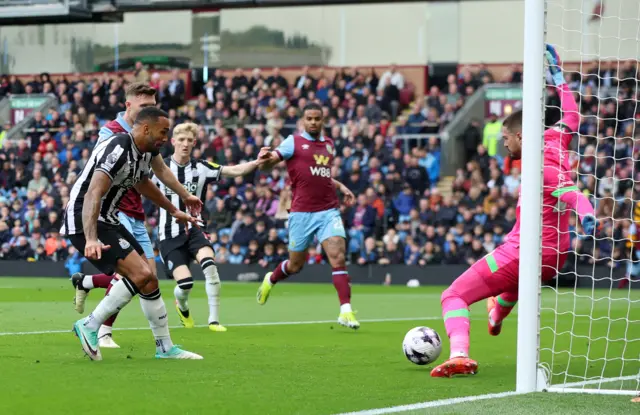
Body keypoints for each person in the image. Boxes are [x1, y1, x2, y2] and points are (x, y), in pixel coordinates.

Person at [430, 45, 597, 377]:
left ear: (520, 135)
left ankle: (460, 354)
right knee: (518, 282)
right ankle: (496, 315)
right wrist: (559, 78)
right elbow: (573, 119)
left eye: (506, 138)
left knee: (454, 295)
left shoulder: (540, 167)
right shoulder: (554, 139)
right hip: (554, 257)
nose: (504, 144)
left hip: (524, 251)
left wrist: (588, 214)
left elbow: (571, 194)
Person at [63, 107, 202, 361]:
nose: (164, 138)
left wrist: (174, 209)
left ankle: (165, 348)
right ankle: (91, 325)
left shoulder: (144, 153)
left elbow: (142, 183)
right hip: (87, 219)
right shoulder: (119, 147)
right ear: (146, 129)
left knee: (148, 279)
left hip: (109, 220)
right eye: (163, 132)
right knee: (141, 274)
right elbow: (94, 192)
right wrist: (91, 238)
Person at [153, 122, 267, 332]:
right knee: (185, 284)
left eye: (189, 140)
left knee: (210, 267)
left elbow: (233, 171)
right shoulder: (159, 168)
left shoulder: (202, 167)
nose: (185, 144)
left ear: (194, 143)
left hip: (195, 229)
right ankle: (182, 306)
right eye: (181, 140)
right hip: (168, 234)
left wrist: (258, 161)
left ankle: (214, 320)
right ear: (173, 142)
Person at [254, 102, 359, 329]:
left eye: (317, 119)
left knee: (337, 255)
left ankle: (346, 311)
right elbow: (269, 163)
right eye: (309, 119)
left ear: (323, 120)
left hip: (328, 210)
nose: (313, 122)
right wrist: (265, 159)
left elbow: (321, 175)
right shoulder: (293, 142)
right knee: (295, 265)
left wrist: (341, 187)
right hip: (301, 213)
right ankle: (270, 280)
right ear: (303, 120)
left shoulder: (329, 145)